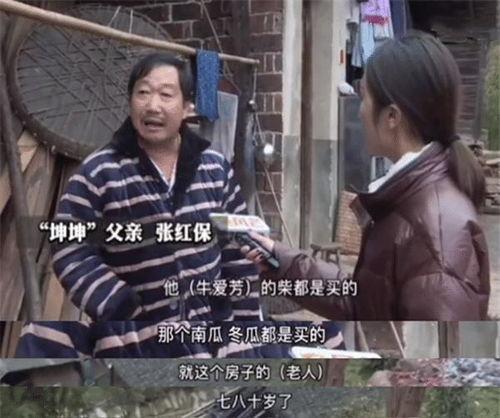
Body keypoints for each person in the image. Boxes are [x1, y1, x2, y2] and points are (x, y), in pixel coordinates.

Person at [242, 31, 490, 320]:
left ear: (392, 117)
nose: (360, 112)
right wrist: (280, 260)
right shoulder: (408, 202)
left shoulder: (436, 235)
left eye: (364, 98)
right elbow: (363, 301)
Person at [50, 52, 262, 322]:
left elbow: (239, 246)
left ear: (188, 107)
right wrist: (121, 307)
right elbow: (68, 247)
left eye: (166, 95)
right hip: (135, 337)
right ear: (130, 102)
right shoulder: (99, 172)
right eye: (143, 93)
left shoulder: (215, 168)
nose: (152, 105)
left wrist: (246, 325)